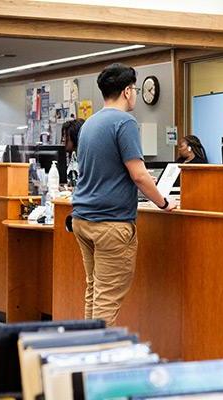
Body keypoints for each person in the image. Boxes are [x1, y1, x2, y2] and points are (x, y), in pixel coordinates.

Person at [72, 63, 176, 326]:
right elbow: (139, 175)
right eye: (136, 90)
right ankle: (99, 361)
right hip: (110, 223)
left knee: (94, 292)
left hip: (83, 219)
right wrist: (164, 202)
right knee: (107, 299)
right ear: (128, 91)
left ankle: (86, 352)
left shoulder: (90, 124)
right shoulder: (125, 122)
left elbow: (105, 168)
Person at [61, 118, 84, 187]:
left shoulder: (84, 159)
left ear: (75, 136)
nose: (63, 139)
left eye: (65, 135)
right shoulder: (71, 158)